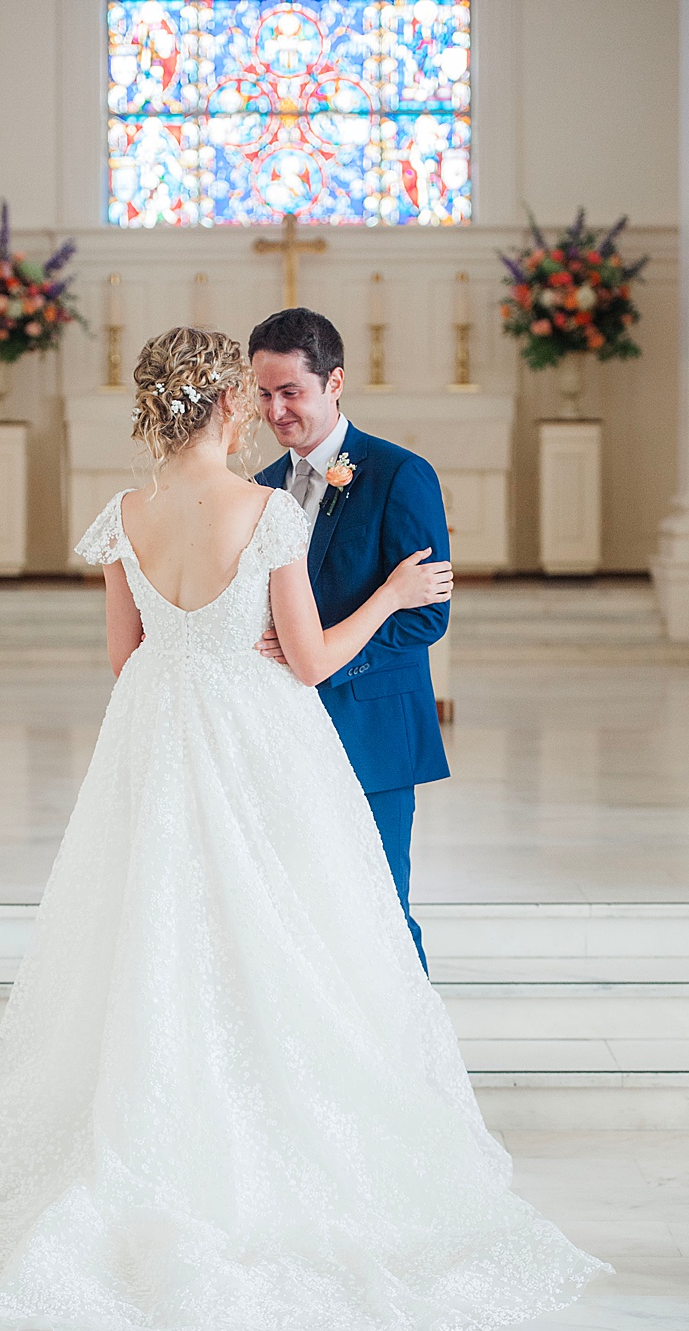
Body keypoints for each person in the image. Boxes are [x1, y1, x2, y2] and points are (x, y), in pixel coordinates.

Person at [0, 327, 607, 1331]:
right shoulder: (270, 510)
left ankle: (152, 1126)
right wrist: (384, 595)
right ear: (230, 406)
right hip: (263, 741)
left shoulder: (126, 515)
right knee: (285, 925)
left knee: (160, 924)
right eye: (253, 394)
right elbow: (307, 660)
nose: (266, 406)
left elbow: (126, 658)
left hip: (156, 745)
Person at [248, 307, 447, 973]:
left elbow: (425, 616)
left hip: (372, 728)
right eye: (263, 393)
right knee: (301, 905)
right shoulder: (258, 490)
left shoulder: (399, 475)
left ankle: (419, 1064)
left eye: (290, 392)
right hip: (282, 729)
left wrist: (318, 659)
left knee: (382, 905)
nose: (275, 411)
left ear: (334, 382)